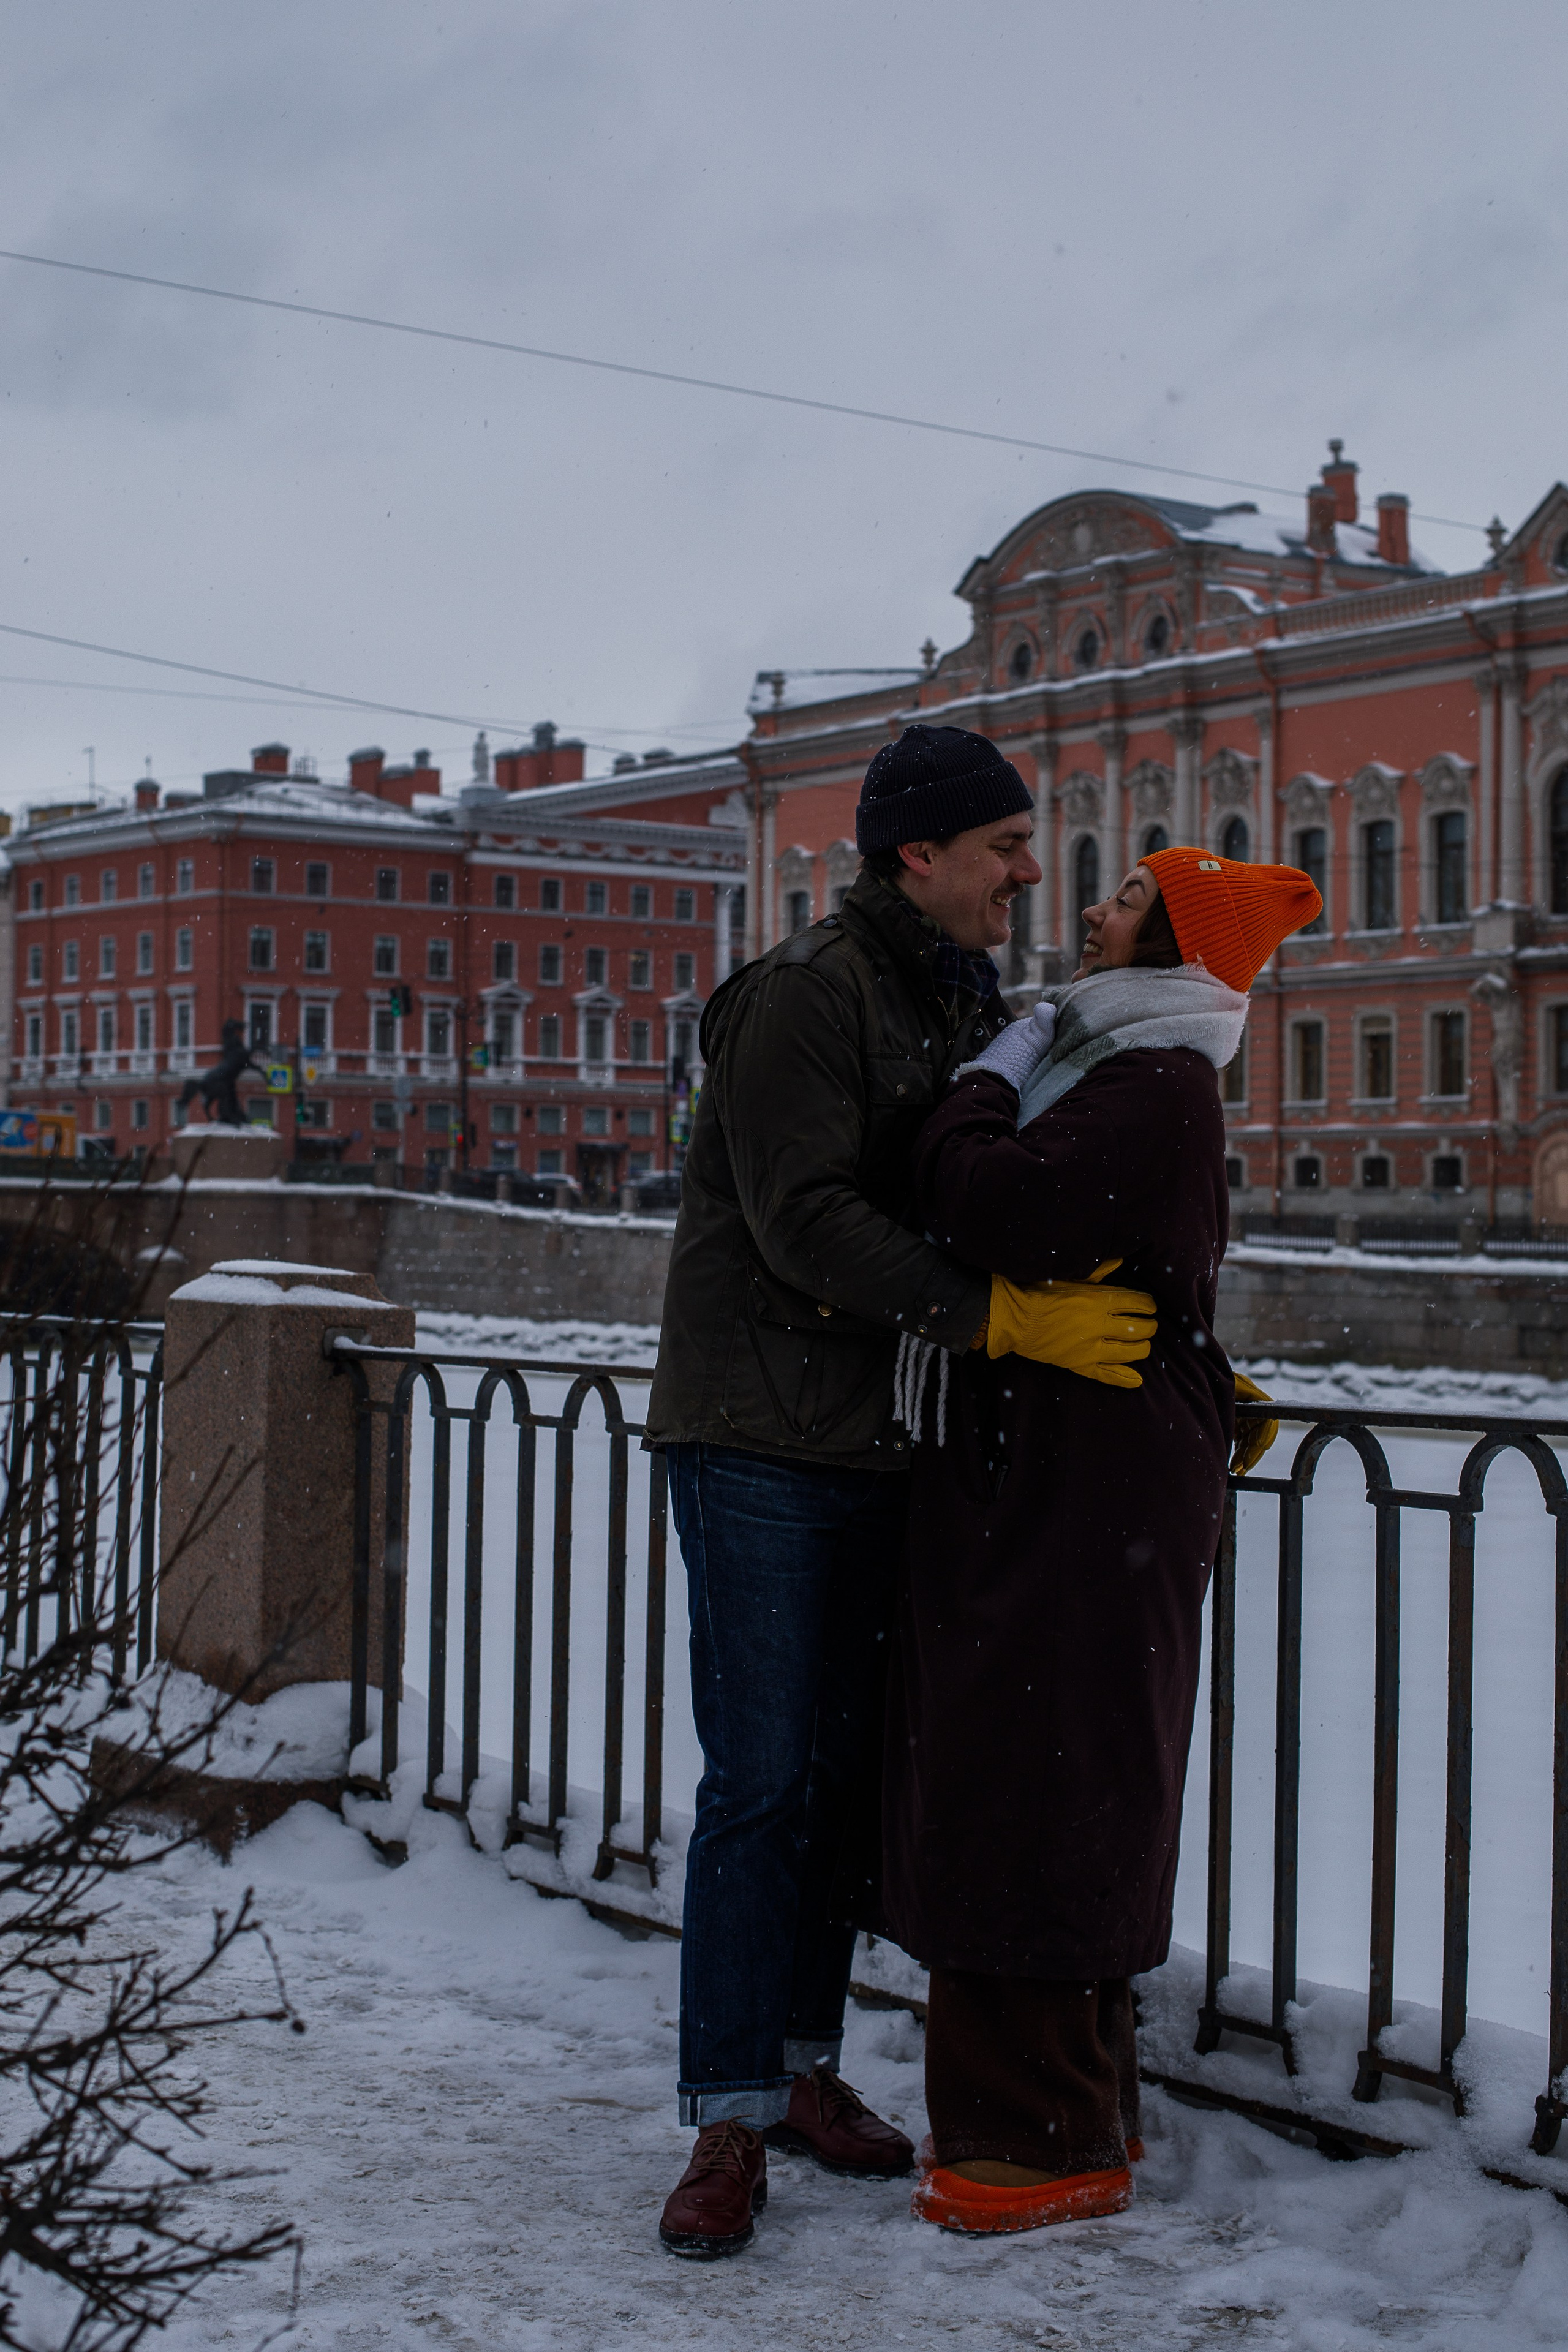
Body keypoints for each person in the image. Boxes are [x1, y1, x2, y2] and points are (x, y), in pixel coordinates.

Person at [644, 724, 1159, 2258]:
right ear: (915, 857)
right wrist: (995, 1320)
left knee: (842, 1784)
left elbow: (988, 1186)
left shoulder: (961, 1000)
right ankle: (725, 2116)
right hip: (758, 1437)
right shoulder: (804, 995)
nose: (1026, 871)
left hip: (879, 1434)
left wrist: (1172, 1354)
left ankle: (803, 2071)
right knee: (761, 1786)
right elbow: (800, 1221)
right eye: (1003, 847)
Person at [881, 843, 1320, 2238]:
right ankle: (1054, 2114)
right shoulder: (1131, 1074)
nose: (1087, 907)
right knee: (1046, 1772)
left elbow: (981, 1200)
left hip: (1085, 1494)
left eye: (1124, 899)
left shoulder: (1146, 1084)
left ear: (1172, 941)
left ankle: (1035, 2142)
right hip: (1074, 1482)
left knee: (1039, 1782)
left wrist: (981, 1082)